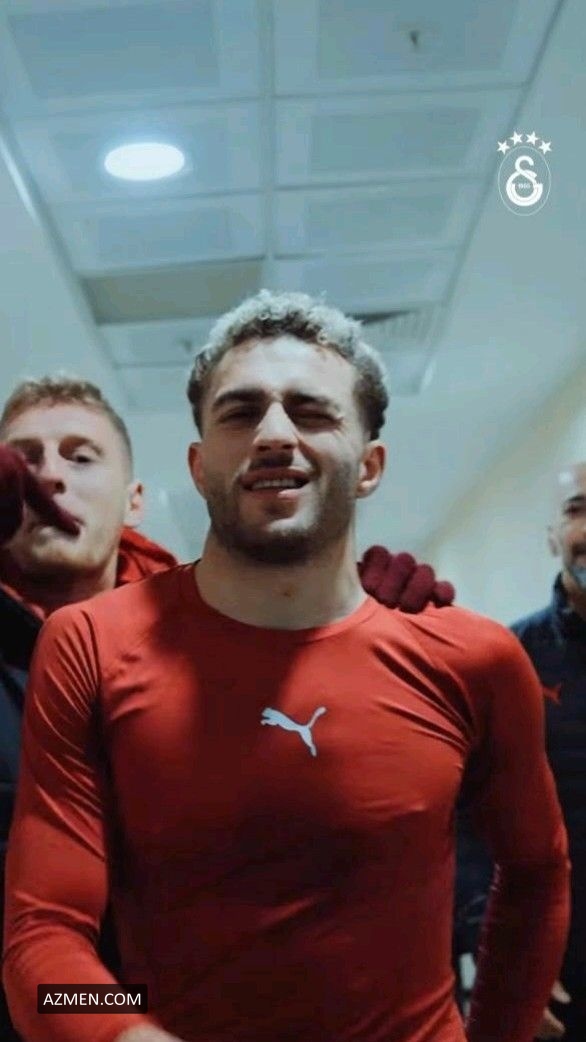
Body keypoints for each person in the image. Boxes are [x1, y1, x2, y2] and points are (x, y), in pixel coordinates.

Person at [3, 291, 569, 1042]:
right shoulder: (87, 647)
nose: (274, 434)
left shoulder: (474, 657)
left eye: (311, 411)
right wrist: (125, 1029)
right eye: (240, 413)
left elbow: (537, 874)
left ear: (370, 466)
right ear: (199, 466)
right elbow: (41, 939)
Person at [457, 462, 586, 1041]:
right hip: (557, 979)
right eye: (577, 509)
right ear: (553, 536)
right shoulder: (506, 660)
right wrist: (502, 955)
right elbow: (468, 826)